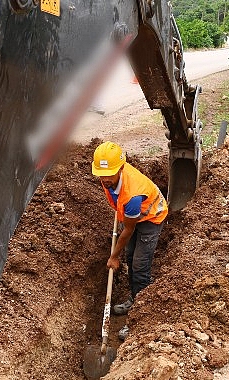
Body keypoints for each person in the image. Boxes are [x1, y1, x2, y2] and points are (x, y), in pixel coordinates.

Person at [91, 141, 168, 340]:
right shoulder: (109, 178)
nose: (104, 179)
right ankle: (135, 298)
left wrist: (113, 257)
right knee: (131, 255)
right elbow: (121, 208)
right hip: (134, 216)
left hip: (151, 218)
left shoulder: (133, 195)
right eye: (101, 174)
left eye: (108, 175)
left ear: (121, 168)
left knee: (140, 266)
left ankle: (139, 319)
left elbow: (129, 229)